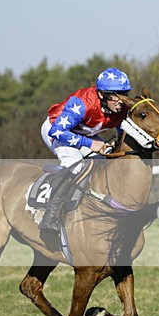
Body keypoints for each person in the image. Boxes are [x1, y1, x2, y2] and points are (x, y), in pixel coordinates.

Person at [38, 67, 132, 231]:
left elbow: (122, 133)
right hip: (57, 130)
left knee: (108, 162)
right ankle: (49, 216)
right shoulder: (82, 103)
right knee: (75, 164)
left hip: (83, 133)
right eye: (115, 95)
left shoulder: (121, 109)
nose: (121, 101)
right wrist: (90, 144)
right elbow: (57, 132)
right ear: (101, 95)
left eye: (124, 94)